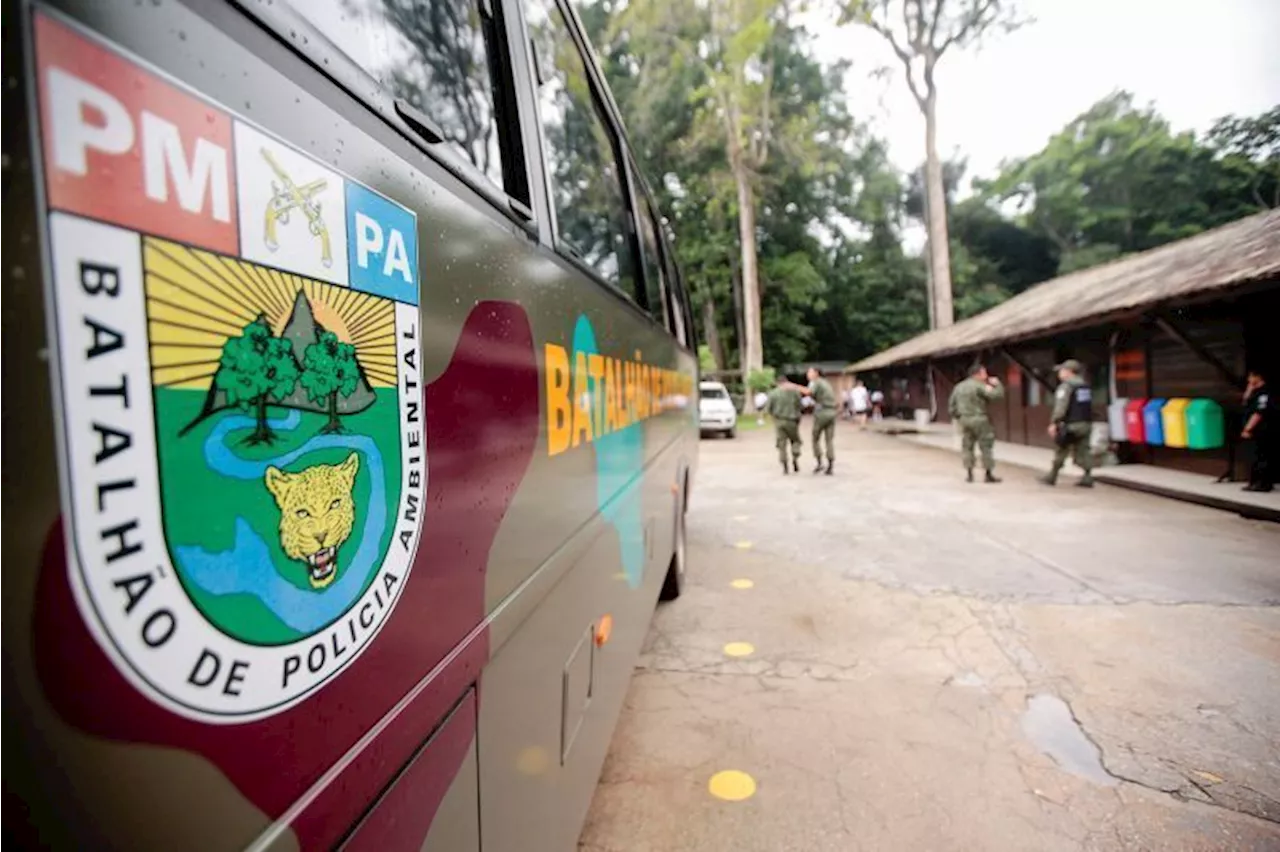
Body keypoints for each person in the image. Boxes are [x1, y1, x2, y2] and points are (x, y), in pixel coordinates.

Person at [1040, 359, 1095, 487]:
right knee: (1084, 451)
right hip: (1086, 423)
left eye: (1062, 370)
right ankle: (1088, 477)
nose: (1059, 373)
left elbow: (1061, 407)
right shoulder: (1084, 385)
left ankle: (1052, 476)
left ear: (1069, 372)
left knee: (1061, 449)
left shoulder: (1066, 386)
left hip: (1071, 424)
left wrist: (1054, 422)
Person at [947, 363, 1004, 483]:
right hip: (980, 419)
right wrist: (997, 385)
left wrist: (960, 417)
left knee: (967, 446)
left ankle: (969, 474)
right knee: (986, 446)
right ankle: (988, 474)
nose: (986, 375)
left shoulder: (959, 387)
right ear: (978, 374)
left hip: (965, 420)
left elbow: (951, 407)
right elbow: (996, 396)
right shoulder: (979, 386)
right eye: (984, 373)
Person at [793, 367, 838, 474]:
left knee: (815, 438)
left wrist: (794, 386)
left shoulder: (815, 382)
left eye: (810, 372)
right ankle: (830, 464)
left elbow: (808, 392)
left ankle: (819, 462)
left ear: (816, 373)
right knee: (829, 440)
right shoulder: (826, 383)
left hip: (822, 412)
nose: (807, 374)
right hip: (832, 411)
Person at [1242, 368, 1273, 493]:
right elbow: (1245, 402)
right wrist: (1249, 389)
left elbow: (1259, 413)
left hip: (1262, 429)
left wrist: (1248, 428)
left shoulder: (1264, 393)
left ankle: (1264, 483)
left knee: (1262, 456)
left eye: (1251, 377)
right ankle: (1254, 482)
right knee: (1254, 456)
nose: (1249, 379)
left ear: (1258, 377)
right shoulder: (1255, 391)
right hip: (1254, 430)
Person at [766, 375, 803, 474]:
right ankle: (795, 457)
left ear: (778, 383)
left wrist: (773, 417)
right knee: (795, 441)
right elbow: (800, 406)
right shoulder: (795, 392)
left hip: (779, 421)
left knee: (782, 444)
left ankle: (785, 465)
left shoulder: (773, 393)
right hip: (792, 420)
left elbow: (768, 409)